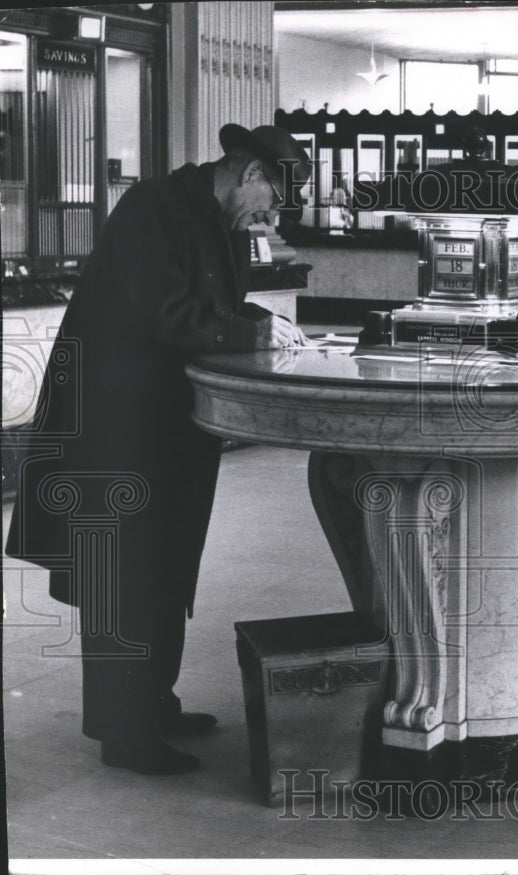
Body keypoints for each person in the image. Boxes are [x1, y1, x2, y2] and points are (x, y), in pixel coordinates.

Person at [4, 124, 313, 775]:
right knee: (122, 574)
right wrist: (252, 333)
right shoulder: (153, 207)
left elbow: (206, 306)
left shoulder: (218, 220)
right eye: (273, 200)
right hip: (118, 427)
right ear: (248, 172)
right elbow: (165, 313)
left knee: (167, 565)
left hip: (166, 422)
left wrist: (259, 322)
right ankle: (125, 733)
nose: (271, 217)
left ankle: (154, 700)